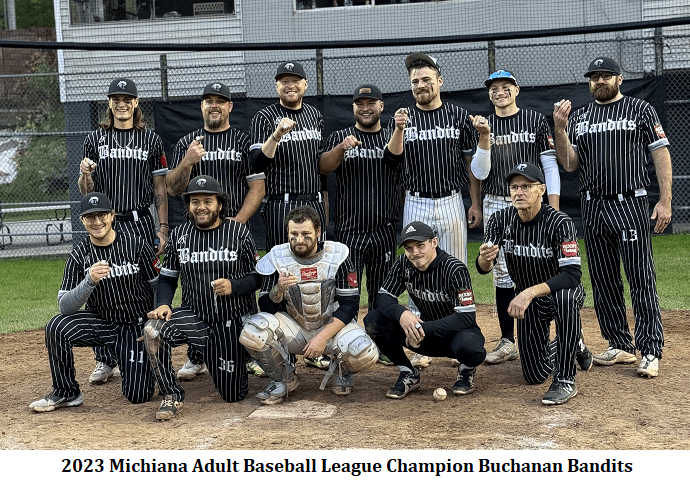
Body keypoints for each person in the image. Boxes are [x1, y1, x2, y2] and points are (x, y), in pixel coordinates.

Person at [553, 56, 672, 378]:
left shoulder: (640, 109)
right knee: (603, 279)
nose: (600, 81)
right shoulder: (581, 116)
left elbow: (660, 151)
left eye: (606, 75)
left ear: (620, 79)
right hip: (594, 206)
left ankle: (650, 348)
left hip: (630, 202)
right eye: (595, 76)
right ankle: (619, 343)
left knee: (640, 277)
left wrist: (665, 200)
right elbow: (569, 164)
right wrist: (561, 130)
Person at [386, 52, 486, 369]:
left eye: (426, 79)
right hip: (416, 200)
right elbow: (392, 160)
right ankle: (420, 341)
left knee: (455, 268)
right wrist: (399, 129)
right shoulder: (402, 118)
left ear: (440, 81)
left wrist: (475, 202)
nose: (421, 85)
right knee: (415, 268)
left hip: (451, 200)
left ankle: (459, 336)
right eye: (415, 81)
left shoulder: (458, 116)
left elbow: (471, 164)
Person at [166, 81, 266, 381]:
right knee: (196, 287)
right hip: (196, 230)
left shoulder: (242, 141)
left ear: (229, 107)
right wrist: (187, 161)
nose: (214, 105)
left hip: (233, 230)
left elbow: (257, 188)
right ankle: (197, 355)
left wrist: (236, 223)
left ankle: (247, 353)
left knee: (240, 288)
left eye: (220, 101)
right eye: (208, 100)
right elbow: (173, 187)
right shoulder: (188, 142)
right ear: (201, 106)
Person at [143, 175, 261, 420]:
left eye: (208, 201)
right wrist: (163, 303)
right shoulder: (180, 235)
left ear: (220, 204)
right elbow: (167, 278)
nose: (201, 207)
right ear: (188, 206)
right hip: (194, 316)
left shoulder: (238, 232)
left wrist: (235, 285)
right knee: (153, 330)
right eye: (195, 201)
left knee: (233, 394)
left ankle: (220, 356)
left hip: (229, 320)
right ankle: (171, 394)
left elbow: (258, 277)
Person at [30, 192, 159, 412]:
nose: (97, 222)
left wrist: (153, 323)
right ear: (82, 220)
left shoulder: (136, 245)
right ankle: (67, 392)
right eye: (90, 217)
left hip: (134, 326)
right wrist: (88, 280)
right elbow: (64, 306)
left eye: (102, 215)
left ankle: (141, 365)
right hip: (101, 322)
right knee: (56, 326)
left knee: (139, 395)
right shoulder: (79, 255)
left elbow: (158, 285)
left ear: (112, 215)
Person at [477, 163, 593, 405]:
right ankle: (572, 341)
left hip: (559, 292)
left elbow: (572, 275)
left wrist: (528, 293)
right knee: (534, 375)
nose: (519, 192)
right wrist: (484, 258)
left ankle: (565, 380)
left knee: (565, 298)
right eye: (514, 187)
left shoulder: (560, 223)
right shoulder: (500, 220)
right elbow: (483, 268)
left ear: (541, 190)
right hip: (528, 300)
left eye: (526, 186)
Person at [78, 77, 169, 385]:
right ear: (109, 103)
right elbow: (87, 191)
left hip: (141, 220)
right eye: (115, 99)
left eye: (126, 99)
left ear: (135, 102)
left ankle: (149, 345)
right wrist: (84, 174)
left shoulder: (151, 139)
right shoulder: (95, 138)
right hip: (107, 221)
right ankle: (105, 358)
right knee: (102, 282)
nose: (121, 103)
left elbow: (160, 187)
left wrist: (163, 227)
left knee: (144, 283)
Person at [238, 205, 379, 405]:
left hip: (328, 325)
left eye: (306, 234)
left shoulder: (337, 255)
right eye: (293, 234)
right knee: (253, 331)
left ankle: (341, 371)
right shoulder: (277, 257)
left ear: (318, 231)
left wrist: (322, 337)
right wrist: (278, 289)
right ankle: (284, 379)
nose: (299, 239)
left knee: (365, 352)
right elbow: (266, 307)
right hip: (295, 327)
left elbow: (349, 306)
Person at [472, 70, 562, 366]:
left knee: (541, 265)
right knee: (501, 272)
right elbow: (480, 172)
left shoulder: (534, 120)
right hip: (497, 202)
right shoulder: (484, 124)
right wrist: (484, 136)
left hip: (533, 201)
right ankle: (507, 340)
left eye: (505, 86)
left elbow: (549, 164)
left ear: (517, 89)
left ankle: (561, 334)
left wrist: (553, 205)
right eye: (494, 88)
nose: (500, 91)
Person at [249, 61, 329, 370]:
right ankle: (277, 349)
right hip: (281, 205)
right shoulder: (264, 117)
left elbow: (320, 168)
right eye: (284, 81)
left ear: (305, 85)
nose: (290, 85)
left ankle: (316, 345)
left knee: (316, 275)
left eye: (295, 80)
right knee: (279, 275)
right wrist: (276, 135)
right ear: (277, 86)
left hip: (312, 202)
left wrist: (324, 206)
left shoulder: (315, 115)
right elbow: (257, 163)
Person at [364, 221, 485, 399]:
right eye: (409, 248)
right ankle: (408, 373)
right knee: (373, 320)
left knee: (472, 349)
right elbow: (383, 297)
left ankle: (466, 370)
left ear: (434, 242)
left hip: (455, 336)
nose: (415, 252)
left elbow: (466, 317)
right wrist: (402, 314)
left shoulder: (454, 269)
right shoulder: (403, 263)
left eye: (420, 245)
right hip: (424, 338)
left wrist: (421, 329)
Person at [319, 84, 402, 314]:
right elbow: (323, 168)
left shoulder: (392, 136)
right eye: (360, 104)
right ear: (353, 107)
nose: (365, 108)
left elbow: (404, 178)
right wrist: (340, 149)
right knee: (347, 295)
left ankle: (378, 334)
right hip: (350, 232)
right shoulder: (340, 137)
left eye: (371, 103)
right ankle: (348, 336)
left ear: (381, 106)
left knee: (382, 295)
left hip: (384, 231)